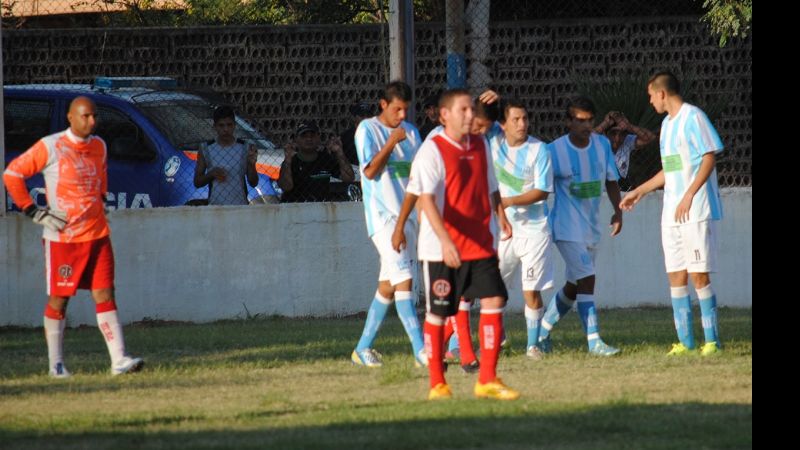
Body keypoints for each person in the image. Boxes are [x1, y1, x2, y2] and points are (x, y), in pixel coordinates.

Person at [3, 96, 144, 378]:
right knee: (60, 298)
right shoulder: (51, 146)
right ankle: (56, 365)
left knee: (105, 293)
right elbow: (12, 174)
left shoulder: (99, 146)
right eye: (85, 116)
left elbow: (101, 178)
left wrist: (100, 201)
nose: (92, 121)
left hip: (97, 235)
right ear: (70, 117)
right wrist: (32, 210)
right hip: (63, 240)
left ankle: (119, 360)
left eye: (94, 116)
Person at [396, 88, 519, 400]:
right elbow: (426, 201)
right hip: (442, 249)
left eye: (471, 110)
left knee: (494, 300)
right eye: (463, 110)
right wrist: (445, 240)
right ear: (444, 115)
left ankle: (487, 379)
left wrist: (500, 216)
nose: (469, 115)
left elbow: (490, 187)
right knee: (439, 313)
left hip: (479, 244)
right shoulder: (432, 150)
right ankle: (437, 383)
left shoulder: (479, 145)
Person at [620, 70, 725, 356]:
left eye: (651, 95)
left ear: (662, 93)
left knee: (699, 275)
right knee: (676, 275)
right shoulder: (666, 125)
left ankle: (712, 342)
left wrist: (690, 194)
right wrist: (639, 191)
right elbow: (670, 169)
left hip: (696, 209)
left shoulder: (694, 117)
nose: (650, 101)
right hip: (672, 212)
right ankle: (686, 342)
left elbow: (709, 156)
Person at [536, 96, 623, 356]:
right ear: (568, 122)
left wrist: (618, 212)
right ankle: (594, 341)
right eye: (579, 120)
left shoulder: (602, 145)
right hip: (565, 229)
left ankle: (541, 331)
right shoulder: (554, 151)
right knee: (587, 278)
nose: (585, 126)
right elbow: (539, 188)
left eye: (589, 121)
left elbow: (610, 180)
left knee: (574, 286)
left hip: (591, 228)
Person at [350, 81, 426, 368]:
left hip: (407, 219)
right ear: (383, 105)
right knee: (405, 280)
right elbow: (369, 172)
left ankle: (362, 348)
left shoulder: (413, 133)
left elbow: (418, 178)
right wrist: (392, 142)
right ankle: (421, 352)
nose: (402, 116)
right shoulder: (367, 130)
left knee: (388, 286)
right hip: (383, 220)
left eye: (406, 110)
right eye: (397, 109)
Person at [489, 99, 554, 361]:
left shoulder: (539, 150)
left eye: (525, 118)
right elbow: (476, 118)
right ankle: (498, 338)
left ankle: (533, 345)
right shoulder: (494, 143)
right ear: (502, 124)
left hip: (534, 231)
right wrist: (484, 96)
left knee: (531, 290)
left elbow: (542, 191)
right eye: (515, 119)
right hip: (503, 231)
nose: (522, 124)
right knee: (494, 290)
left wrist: (510, 201)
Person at [193, 106, 259, 205]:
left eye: (229, 125)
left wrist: (251, 164)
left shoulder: (245, 147)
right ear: (215, 126)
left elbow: (253, 183)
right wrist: (211, 174)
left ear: (234, 125)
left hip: (240, 205)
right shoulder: (206, 148)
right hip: (215, 206)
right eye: (221, 125)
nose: (226, 129)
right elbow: (197, 182)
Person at [278, 120, 355, 203]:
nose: (309, 139)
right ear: (296, 139)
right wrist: (288, 160)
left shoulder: (325, 159)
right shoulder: (292, 162)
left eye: (312, 135)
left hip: (321, 206)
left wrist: (340, 152)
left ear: (318, 137)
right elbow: (286, 186)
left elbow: (349, 178)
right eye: (304, 136)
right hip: (297, 207)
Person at [594, 110, 657, 190]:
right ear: (605, 133)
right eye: (613, 133)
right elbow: (584, 138)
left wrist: (629, 126)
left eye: (621, 134)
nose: (617, 139)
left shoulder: (627, 141)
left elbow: (650, 137)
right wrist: (605, 124)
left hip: (620, 191)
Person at [340, 101, 373, 166]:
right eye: (362, 116)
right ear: (354, 117)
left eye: (368, 115)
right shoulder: (346, 137)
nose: (366, 118)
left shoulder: (376, 133)